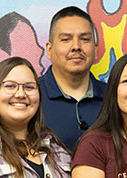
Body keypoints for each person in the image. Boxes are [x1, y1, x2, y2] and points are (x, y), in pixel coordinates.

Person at [40, 6, 106, 148]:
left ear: (95, 49)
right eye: (66, 39)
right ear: (49, 50)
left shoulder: (114, 97)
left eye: (84, 39)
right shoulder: (31, 97)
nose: (76, 46)